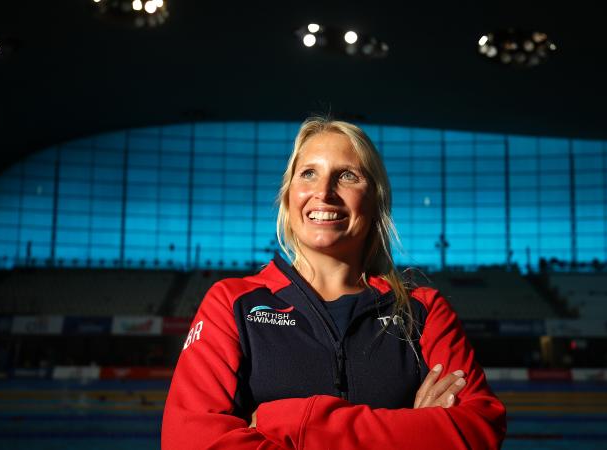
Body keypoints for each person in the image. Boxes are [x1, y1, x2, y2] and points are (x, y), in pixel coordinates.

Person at [162, 118, 506, 449]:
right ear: (288, 197)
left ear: (375, 200)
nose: (324, 192)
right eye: (308, 173)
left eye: (347, 176)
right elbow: (189, 441)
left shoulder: (424, 310)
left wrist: (291, 422)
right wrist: (413, 431)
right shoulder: (233, 303)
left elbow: (480, 429)